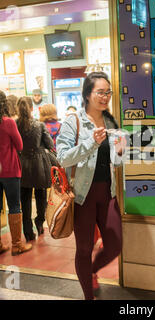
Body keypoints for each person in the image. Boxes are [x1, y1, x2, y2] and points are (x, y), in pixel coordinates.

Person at [56, 72, 126, 300]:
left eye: (108, 92)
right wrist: (90, 142)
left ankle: (92, 271)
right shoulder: (73, 121)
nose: (105, 97)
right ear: (87, 94)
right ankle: (89, 295)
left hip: (108, 193)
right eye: (100, 92)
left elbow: (114, 162)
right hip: (82, 196)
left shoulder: (111, 122)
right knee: (84, 249)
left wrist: (120, 151)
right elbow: (63, 158)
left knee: (115, 244)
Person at [16, 97, 54, 241]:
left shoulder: (15, 124)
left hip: (21, 165)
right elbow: (50, 144)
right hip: (38, 164)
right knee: (41, 195)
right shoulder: (39, 125)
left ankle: (28, 233)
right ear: (32, 108)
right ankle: (39, 221)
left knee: (24, 200)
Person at [0, 90, 32, 255]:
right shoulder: (8, 123)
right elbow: (19, 145)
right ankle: (17, 245)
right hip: (10, 170)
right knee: (14, 205)